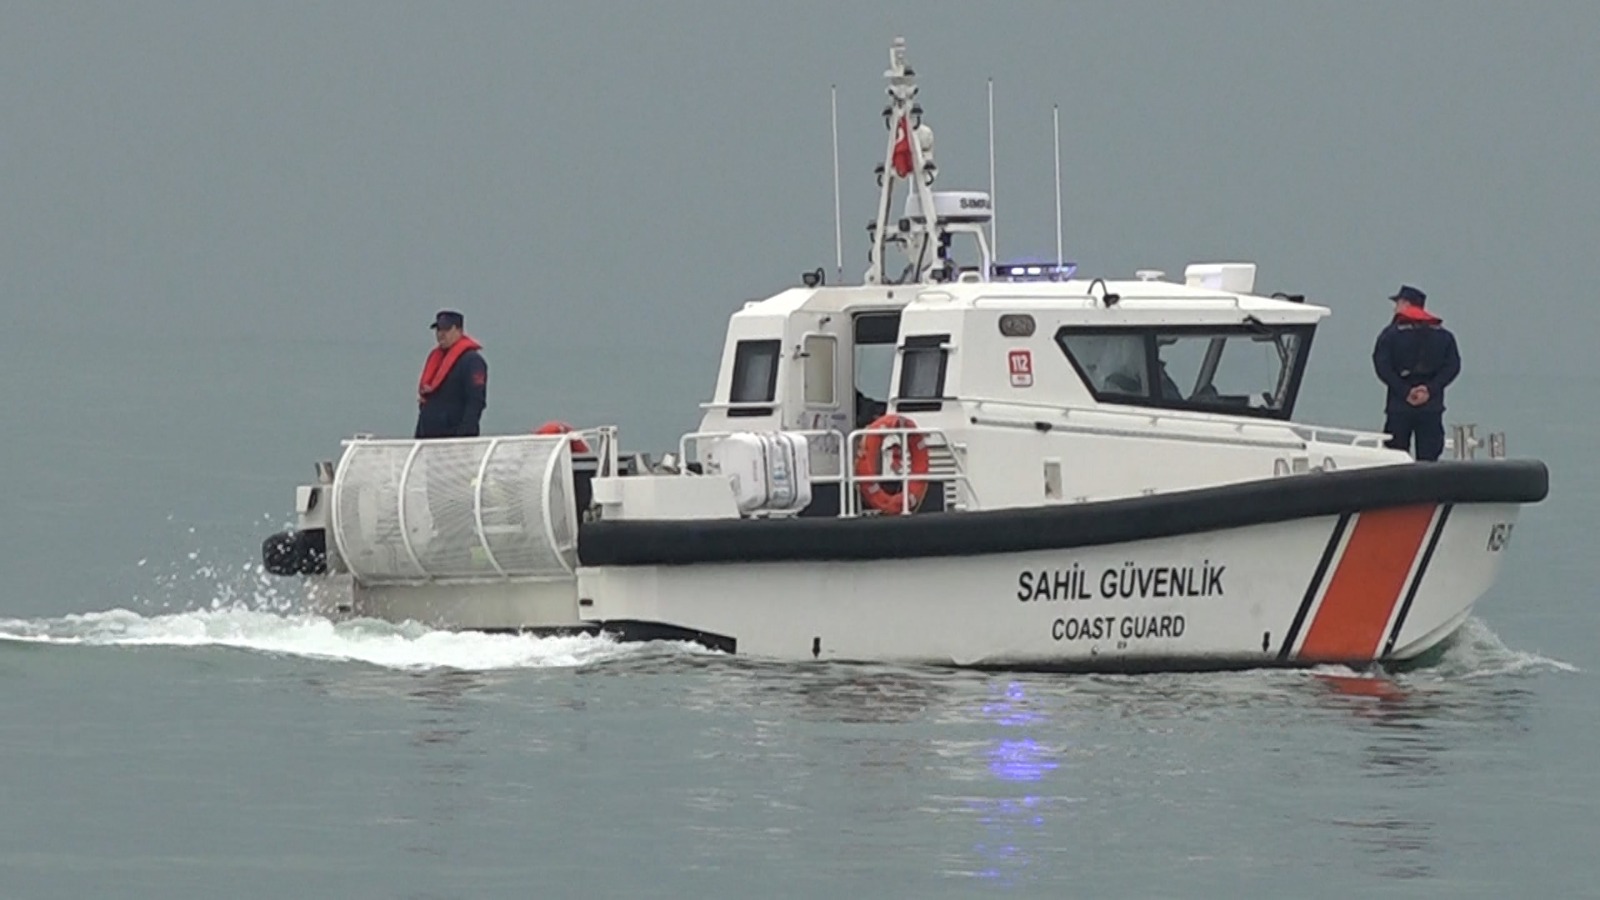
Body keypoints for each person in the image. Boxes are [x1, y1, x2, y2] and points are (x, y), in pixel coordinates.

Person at [1372, 285, 1459, 461]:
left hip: (1399, 404)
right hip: (1431, 406)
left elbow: (1382, 366)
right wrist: (1430, 389)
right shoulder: (1444, 335)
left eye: (1397, 303)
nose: (1395, 308)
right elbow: (1453, 366)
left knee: (1395, 458)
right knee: (1429, 459)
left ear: (1405, 303)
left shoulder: (1391, 335)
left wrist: (1405, 391)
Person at [415, 309, 488, 439]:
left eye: (446, 330)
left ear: (459, 331)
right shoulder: (436, 359)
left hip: (454, 438)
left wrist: (464, 436)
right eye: (438, 330)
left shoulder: (472, 361)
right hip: (428, 436)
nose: (441, 334)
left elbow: (476, 401)